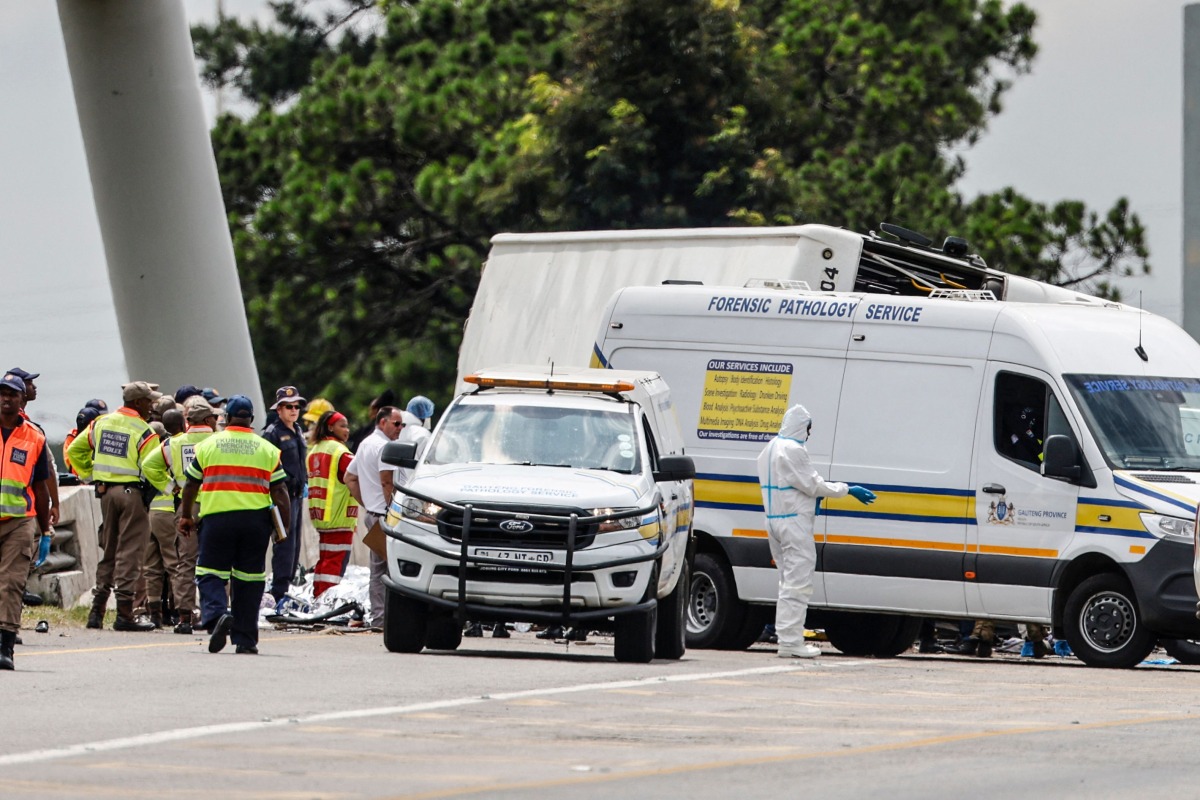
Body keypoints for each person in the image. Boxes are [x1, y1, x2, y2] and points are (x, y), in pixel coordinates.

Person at [757, 404, 876, 658]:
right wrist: (847, 489)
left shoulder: (769, 449)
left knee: (787, 583)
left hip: (774, 521)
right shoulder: (793, 450)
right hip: (793, 524)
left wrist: (813, 499)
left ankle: (787, 637)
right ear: (801, 426)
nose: (809, 435)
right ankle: (790, 642)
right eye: (808, 429)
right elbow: (812, 485)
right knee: (797, 584)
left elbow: (789, 485)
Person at [177, 395, 290, 655]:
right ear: (251, 420)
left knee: (209, 573)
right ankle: (246, 639)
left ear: (225, 418)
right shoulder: (267, 449)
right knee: (249, 580)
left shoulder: (208, 446)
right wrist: (284, 526)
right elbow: (280, 491)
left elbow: (192, 483)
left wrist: (186, 516)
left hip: (218, 519)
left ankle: (217, 616)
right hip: (256, 523)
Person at [67, 380, 161, 632]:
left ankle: (96, 612)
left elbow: (75, 450)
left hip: (106, 493)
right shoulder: (144, 431)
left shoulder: (100, 422)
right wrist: (168, 487)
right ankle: (124, 614)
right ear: (138, 402)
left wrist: (90, 474)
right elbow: (153, 467)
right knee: (130, 552)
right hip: (133, 495)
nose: (152, 406)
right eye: (149, 401)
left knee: (109, 549)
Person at [142, 399, 220, 634]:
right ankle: (215, 614)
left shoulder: (173, 443)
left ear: (188, 421)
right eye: (215, 418)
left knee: (185, 562)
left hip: (187, 506)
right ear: (208, 420)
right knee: (218, 561)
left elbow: (148, 465)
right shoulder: (220, 441)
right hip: (217, 503)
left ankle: (184, 617)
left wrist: (171, 487)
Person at [0, 373, 52, 670]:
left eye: (12, 393)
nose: (6, 398)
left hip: (19, 521)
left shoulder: (35, 437)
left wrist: (45, 531)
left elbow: (41, 486)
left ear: (22, 400)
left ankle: (6, 645)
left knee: (12, 583)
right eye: (2, 393)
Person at [345, 406, 404, 628]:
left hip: (373, 513)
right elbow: (387, 481)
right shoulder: (384, 447)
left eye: (402, 425)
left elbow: (349, 478)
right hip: (386, 516)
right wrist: (392, 510)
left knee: (377, 570)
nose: (400, 429)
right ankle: (387, 619)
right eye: (396, 424)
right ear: (382, 422)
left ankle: (380, 618)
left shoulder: (365, 444)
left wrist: (367, 503)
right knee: (393, 570)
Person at [262, 385, 308, 609]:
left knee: (295, 544)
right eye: (288, 406)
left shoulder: (297, 430)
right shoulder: (272, 432)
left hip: (297, 494)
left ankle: (286, 586)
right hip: (282, 495)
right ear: (278, 409)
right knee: (284, 542)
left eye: (296, 406)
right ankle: (279, 590)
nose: (293, 410)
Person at [138, 408, 185, 629]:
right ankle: (180, 612)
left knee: (152, 567)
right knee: (174, 565)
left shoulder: (146, 457)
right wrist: (172, 488)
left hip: (150, 515)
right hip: (168, 513)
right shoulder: (170, 452)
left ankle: (155, 615)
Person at [307, 411, 359, 598]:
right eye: (342, 425)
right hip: (340, 517)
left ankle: (318, 596)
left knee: (325, 563)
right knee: (335, 565)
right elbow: (357, 475)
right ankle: (328, 601)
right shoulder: (340, 453)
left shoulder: (315, 450)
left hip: (322, 518)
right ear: (330, 427)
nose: (347, 430)